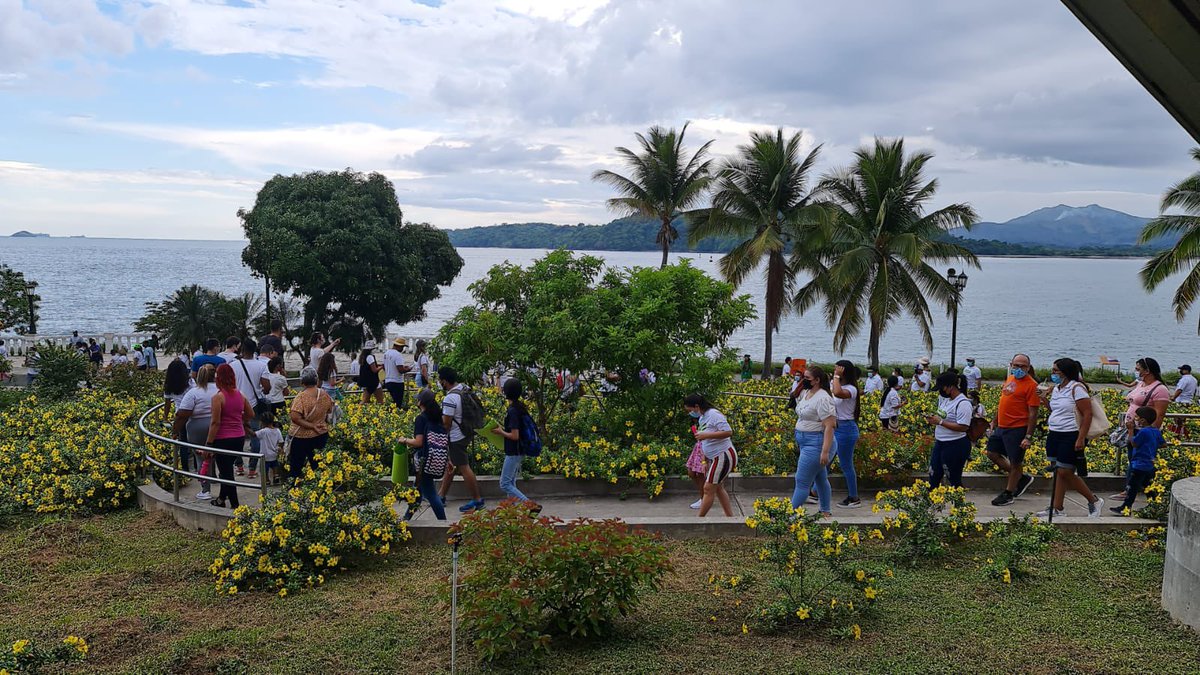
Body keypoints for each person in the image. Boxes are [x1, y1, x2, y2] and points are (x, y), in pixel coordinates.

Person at [1037, 358, 1103, 518]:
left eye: (1056, 371)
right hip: (1055, 432)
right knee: (1058, 471)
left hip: (1071, 433)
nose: (1052, 373)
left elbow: (1087, 414)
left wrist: (1081, 438)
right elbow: (1056, 410)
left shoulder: (1077, 388)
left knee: (1065, 471)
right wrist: (1044, 399)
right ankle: (1057, 507)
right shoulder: (1057, 389)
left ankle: (1093, 500)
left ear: (1065, 372)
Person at [986, 353, 1040, 507]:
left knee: (1016, 461)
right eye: (1016, 365)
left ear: (1028, 368)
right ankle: (1021, 478)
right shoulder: (1010, 379)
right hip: (1002, 427)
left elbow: (1033, 413)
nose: (1019, 369)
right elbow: (1003, 402)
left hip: (1017, 428)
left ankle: (1009, 493)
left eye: (1023, 366)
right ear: (1011, 365)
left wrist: (1028, 436)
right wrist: (995, 420)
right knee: (992, 453)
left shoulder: (1032, 385)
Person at [790, 366, 836, 517]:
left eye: (807, 378)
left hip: (816, 443)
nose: (804, 380)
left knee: (802, 481)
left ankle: (789, 515)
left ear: (817, 380)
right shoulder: (807, 393)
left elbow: (830, 426)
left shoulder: (823, 398)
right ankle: (825, 511)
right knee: (820, 478)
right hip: (805, 442)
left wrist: (825, 451)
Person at [437, 366, 485, 512]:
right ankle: (441, 496)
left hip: (456, 437)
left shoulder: (450, 398)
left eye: (440, 380)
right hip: (466, 432)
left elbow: (446, 424)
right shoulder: (464, 388)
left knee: (464, 467)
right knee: (451, 465)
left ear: (444, 381)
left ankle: (477, 500)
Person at [206, 364, 253, 509]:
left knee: (226, 473)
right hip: (239, 437)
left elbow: (215, 422)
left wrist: (208, 443)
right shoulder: (241, 395)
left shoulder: (218, 397)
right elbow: (251, 414)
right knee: (226, 470)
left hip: (222, 439)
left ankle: (235, 505)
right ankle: (221, 499)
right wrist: (239, 419)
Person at [397, 390, 448, 521]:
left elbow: (418, 442)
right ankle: (406, 518)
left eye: (418, 399)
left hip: (424, 460)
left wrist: (404, 440)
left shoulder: (421, 418)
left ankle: (444, 523)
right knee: (418, 491)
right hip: (435, 457)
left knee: (431, 494)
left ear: (421, 402)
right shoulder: (437, 417)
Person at [684, 394, 737, 517]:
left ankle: (699, 520)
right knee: (718, 488)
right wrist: (704, 460)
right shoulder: (703, 418)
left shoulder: (714, 414)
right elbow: (705, 443)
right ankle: (730, 518)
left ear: (696, 406)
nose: (690, 413)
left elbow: (728, 432)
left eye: (690, 410)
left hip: (723, 455)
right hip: (714, 457)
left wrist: (706, 435)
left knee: (708, 488)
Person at [174, 364, 217, 499]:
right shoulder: (220, 390)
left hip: (197, 427)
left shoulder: (194, 392)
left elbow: (182, 414)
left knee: (200, 457)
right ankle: (223, 485)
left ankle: (205, 489)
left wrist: (175, 430)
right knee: (219, 455)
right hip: (218, 426)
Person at [1112, 406, 1164, 515]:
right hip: (1150, 464)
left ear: (1142, 420)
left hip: (1139, 464)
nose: (1134, 419)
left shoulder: (1143, 432)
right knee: (1148, 486)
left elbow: (1134, 443)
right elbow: (1163, 444)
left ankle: (1125, 508)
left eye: (1136, 417)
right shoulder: (1155, 431)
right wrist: (1151, 446)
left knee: (1132, 487)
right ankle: (1155, 505)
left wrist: (1131, 430)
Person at [925, 372, 973, 489]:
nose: (940, 391)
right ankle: (932, 497)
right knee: (933, 474)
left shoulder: (963, 403)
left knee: (953, 479)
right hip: (940, 442)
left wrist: (940, 422)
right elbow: (943, 417)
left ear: (951, 386)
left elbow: (963, 427)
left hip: (955, 444)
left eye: (942, 388)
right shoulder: (947, 400)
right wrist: (933, 419)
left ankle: (958, 499)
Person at [232, 339, 270, 479]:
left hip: (236, 405)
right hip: (253, 405)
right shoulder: (261, 366)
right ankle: (252, 468)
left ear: (242, 350)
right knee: (255, 436)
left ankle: (239, 466)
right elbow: (267, 387)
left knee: (236, 436)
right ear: (255, 350)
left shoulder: (233, 365)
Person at [491, 378, 533, 503]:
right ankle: (512, 509)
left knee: (504, 483)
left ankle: (530, 504)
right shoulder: (520, 407)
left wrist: (500, 432)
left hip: (514, 451)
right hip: (519, 450)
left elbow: (515, 435)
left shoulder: (513, 410)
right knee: (511, 482)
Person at [288, 367, 333, 482]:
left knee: (296, 466)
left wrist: (311, 425)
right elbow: (329, 410)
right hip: (321, 433)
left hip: (301, 437)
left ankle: (294, 487)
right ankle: (320, 487)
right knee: (318, 465)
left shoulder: (301, 397)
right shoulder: (324, 394)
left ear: (302, 382)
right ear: (316, 380)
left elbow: (295, 417)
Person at [831, 360, 862, 508]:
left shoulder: (851, 389)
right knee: (826, 461)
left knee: (846, 465)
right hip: (835, 426)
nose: (834, 372)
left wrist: (836, 377)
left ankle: (853, 497)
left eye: (837, 369)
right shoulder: (837, 384)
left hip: (846, 428)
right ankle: (815, 492)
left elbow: (838, 393)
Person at [255, 412, 284, 486]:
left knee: (264, 469)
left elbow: (254, 434)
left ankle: (267, 480)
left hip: (264, 455)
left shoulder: (263, 431)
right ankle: (276, 476)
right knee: (275, 466)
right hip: (274, 454)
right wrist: (279, 448)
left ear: (263, 422)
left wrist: (246, 428)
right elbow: (281, 441)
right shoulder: (277, 430)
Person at [383, 337, 412, 410]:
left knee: (392, 403)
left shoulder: (386, 353)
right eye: (402, 347)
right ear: (399, 346)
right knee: (397, 404)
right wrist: (408, 369)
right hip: (397, 382)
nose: (403, 349)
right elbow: (400, 370)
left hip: (388, 381)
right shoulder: (398, 355)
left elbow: (385, 366)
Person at [162, 359, 192, 424]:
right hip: (192, 413)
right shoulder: (191, 382)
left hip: (179, 415)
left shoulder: (169, 385)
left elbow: (167, 404)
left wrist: (165, 418)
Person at [358, 340, 384, 404]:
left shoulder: (363, 357)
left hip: (366, 381)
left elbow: (370, 366)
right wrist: (382, 367)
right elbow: (374, 370)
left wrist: (379, 366)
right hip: (372, 381)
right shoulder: (370, 357)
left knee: (365, 400)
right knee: (380, 400)